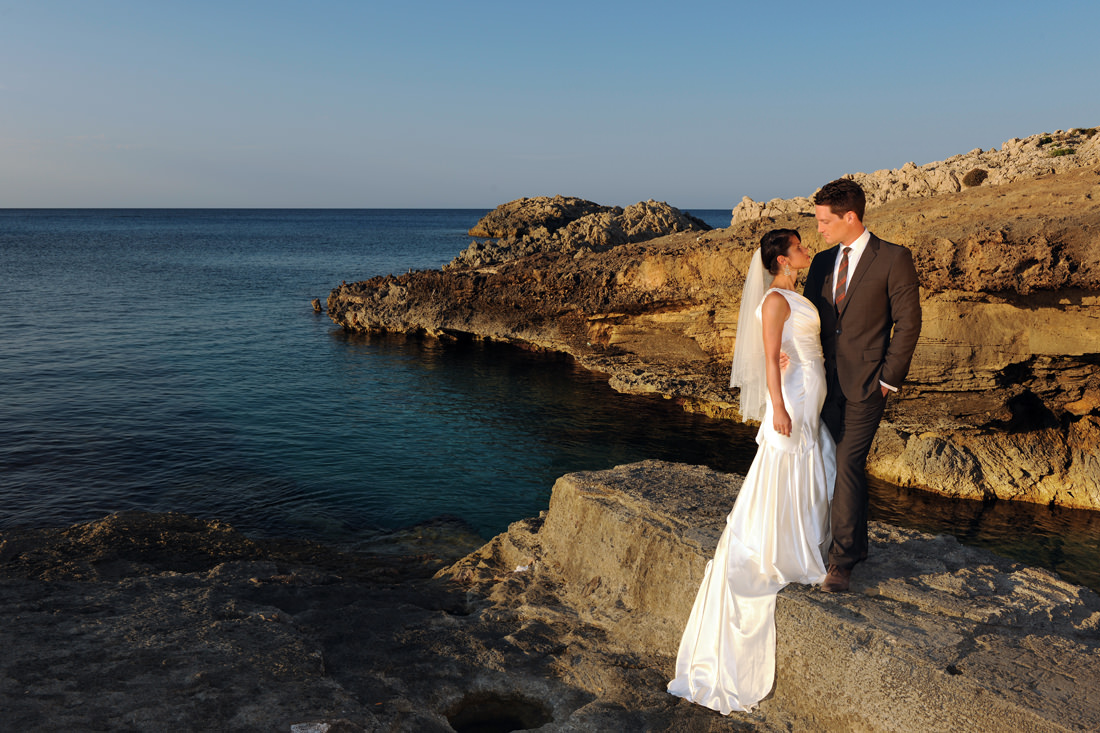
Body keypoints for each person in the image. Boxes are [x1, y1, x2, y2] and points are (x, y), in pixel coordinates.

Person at [667, 228, 836, 714]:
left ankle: (803, 539)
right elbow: (768, 355)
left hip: (809, 385)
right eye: (800, 247)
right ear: (782, 259)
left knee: (813, 461)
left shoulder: (791, 294)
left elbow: (781, 348)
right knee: (793, 463)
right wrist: (777, 405)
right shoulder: (777, 301)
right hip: (797, 393)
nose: (807, 252)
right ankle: (788, 546)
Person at [803, 178, 922, 592]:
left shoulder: (893, 258)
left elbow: (908, 323)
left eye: (823, 221)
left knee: (848, 464)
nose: (819, 229)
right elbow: (809, 319)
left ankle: (842, 562)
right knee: (832, 464)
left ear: (849, 217)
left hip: (869, 383)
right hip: (821, 383)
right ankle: (860, 544)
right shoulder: (819, 264)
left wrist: (889, 378)